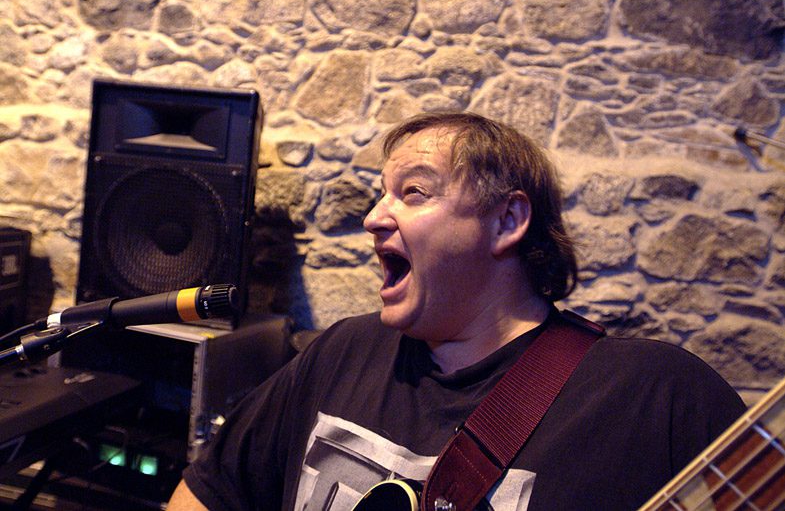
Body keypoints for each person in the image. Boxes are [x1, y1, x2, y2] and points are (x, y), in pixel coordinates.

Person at [167, 112, 745, 510]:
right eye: (381, 193)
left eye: (413, 192)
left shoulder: (657, 396)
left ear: (506, 221)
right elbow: (210, 493)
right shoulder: (341, 351)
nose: (373, 218)